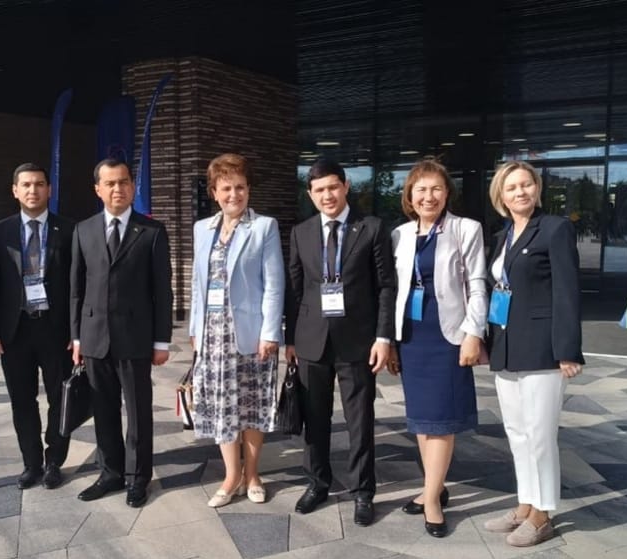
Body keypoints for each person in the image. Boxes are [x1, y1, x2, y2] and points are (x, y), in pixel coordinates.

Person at [284, 158, 396, 527]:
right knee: (314, 418)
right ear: (310, 194)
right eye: (319, 190)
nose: (327, 195)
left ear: (346, 187)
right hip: (311, 340)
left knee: (359, 420)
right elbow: (295, 289)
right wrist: (290, 339)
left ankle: (363, 491)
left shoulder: (371, 228)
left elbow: (385, 287)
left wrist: (383, 337)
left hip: (358, 340)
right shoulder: (301, 233)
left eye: (333, 187)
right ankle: (317, 482)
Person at [482, 160, 584, 547]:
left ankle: (542, 515)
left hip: (543, 348)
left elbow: (567, 292)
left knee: (540, 435)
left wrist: (567, 350)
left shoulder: (555, 229)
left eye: (526, 184)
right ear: (501, 196)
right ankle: (525, 503)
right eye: (511, 187)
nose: (520, 192)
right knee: (517, 432)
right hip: (507, 347)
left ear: (537, 188)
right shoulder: (502, 235)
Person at [388, 158, 487, 538]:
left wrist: (473, 333)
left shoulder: (465, 229)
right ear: (409, 196)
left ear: (447, 193)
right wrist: (390, 340)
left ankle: (431, 499)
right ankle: (435, 486)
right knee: (421, 417)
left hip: (448, 334)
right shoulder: (399, 235)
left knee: (442, 418)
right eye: (421, 190)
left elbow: (477, 283)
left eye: (436, 189)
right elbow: (393, 290)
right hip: (411, 336)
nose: (428, 197)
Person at [71, 158, 173, 508]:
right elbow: (76, 289)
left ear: (133, 186)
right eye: (110, 183)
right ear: (98, 189)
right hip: (94, 337)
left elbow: (163, 291)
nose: (118, 189)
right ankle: (110, 472)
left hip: (136, 337)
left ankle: (138, 478)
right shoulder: (83, 230)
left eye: (124, 182)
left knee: (139, 412)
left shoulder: (152, 231)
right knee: (103, 409)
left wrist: (162, 341)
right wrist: (77, 337)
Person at [189, 153, 284, 508]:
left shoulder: (263, 227)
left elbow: (274, 284)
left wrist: (270, 333)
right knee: (222, 405)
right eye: (226, 188)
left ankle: (253, 474)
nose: (234, 195)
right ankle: (231, 476)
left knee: (252, 404)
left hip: (251, 334)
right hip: (213, 335)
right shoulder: (202, 229)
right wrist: (195, 329)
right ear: (214, 192)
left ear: (248, 190)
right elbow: (198, 285)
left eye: (240, 187)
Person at [0, 163, 75, 490]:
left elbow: (79, 286)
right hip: (15, 330)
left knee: (60, 398)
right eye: (26, 185)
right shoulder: (1, 231)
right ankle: (31, 463)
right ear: (15, 190)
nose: (33, 190)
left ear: (49, 189)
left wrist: (77, 332)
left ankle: (54, 461)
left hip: (56, 330)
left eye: (39, 184)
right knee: (22, 400)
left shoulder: (69, 230)